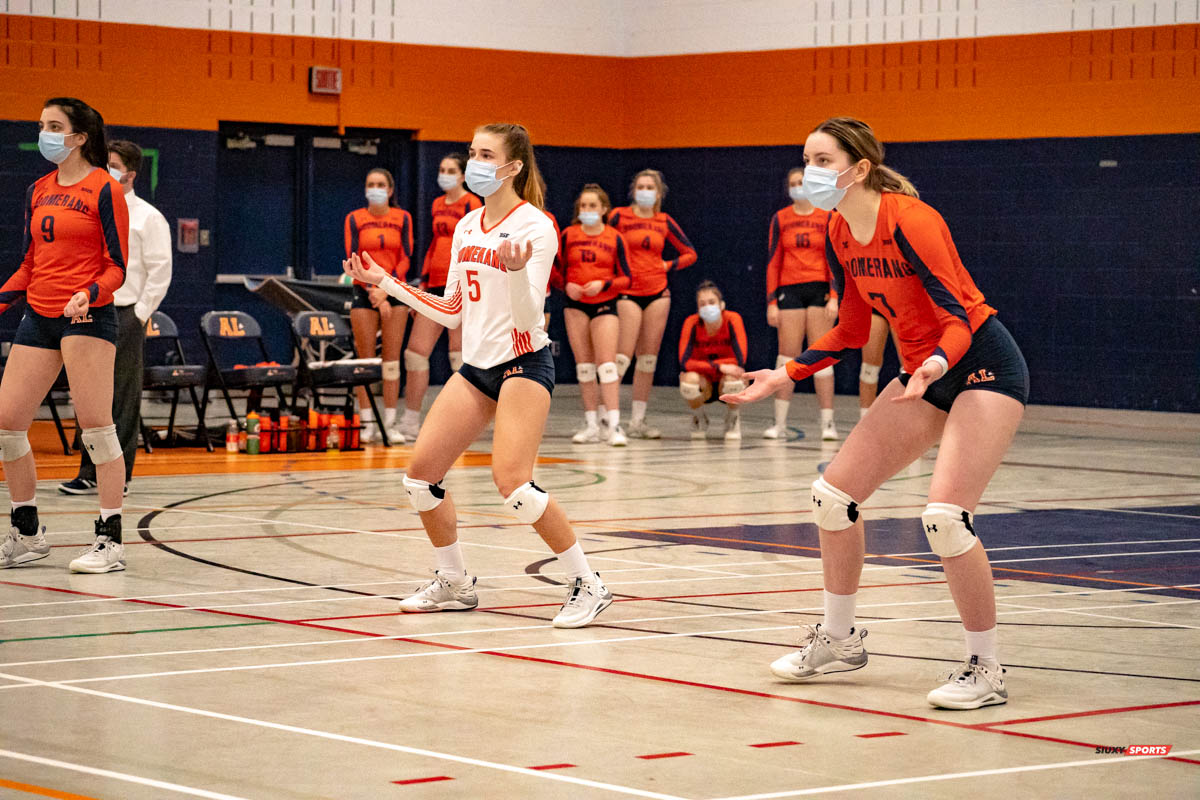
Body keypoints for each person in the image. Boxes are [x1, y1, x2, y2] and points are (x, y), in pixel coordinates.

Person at [724, 117, 1029, 710]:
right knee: (832, 497)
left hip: (979, 365)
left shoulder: (913, 220)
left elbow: (961, 316)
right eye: (805, 159)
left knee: (944, 517)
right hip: (921, 375)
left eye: (821, 160)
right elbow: (853, 329)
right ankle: (838, 641)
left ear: (858, 168)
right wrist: (787, 372)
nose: (809, 172)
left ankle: (986, 668)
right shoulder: (840, 230)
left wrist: (938, 362)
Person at [343, 122, 613, 628]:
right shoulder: (467, 227)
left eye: (485, 154)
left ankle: (588, 583)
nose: (475, 163)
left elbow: (531, 318)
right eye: (472, 153)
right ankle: (455, 582)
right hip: (476, 368)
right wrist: (387, 282)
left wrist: (514, 271)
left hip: (524, 364)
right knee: (420, 478)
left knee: (513, 484)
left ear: (513, 167)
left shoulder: (537, 226)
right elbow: (449, 311)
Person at [0, 97, 130, 573]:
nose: (45, 134)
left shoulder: (104, 188)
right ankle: (28, 533)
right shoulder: (37, 189)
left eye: (55, 126)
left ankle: (110, 539)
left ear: (79, 137)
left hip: (87, 318)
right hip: (38, 314)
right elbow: (28, 264)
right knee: (8, 422)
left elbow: (118, 266)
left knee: (95, 427)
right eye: (41, 125)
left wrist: (89, 292)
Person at [58, 139, 171, 496]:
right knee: (86, 395)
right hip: (89, 311)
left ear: (130, 175)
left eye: (111, 165)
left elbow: (160, 271)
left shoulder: (148, 217)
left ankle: (117, 474)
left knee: (121, 396)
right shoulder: (90, 209)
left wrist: (139, 314)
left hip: (124, 314)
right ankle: (88, 470)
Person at [609, 169, 697, 439]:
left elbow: (690, 253)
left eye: (650, 187)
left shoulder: (664, 220)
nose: (645, 191)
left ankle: (638, 421)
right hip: (628, 292)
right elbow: (602, 241)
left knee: (647, 360)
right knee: (621, 358)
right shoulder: (619, 216)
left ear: (658, 194)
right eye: (641, 186)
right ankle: (607, 419)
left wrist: (667, 265)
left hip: (658, 292)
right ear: (633, 191)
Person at [401, 153, 481, 440]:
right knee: (415, 354)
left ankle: (461, 425)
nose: (444, 174)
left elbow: (475, 243)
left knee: (458, 358)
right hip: (434, 284)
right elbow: (435, 243)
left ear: (462, 175)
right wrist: (422, 282)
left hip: (459, 287)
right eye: (441, 168)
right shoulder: (437, 204)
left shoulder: (472, 203)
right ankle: (410, 421)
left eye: (451, 170)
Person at [765, 167, 839, 441]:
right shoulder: (780, 218)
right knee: (787, 357)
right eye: (793, 183)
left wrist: (835, 295)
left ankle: (827, 424)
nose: (798, 187)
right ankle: (779, 423)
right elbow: (773, 261)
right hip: (789, 290)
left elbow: (835, 258)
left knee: (821, 356)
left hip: (819, 289)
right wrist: (771, 301)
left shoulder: (827, 216)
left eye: (802, 182)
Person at [344, 167, 412, 444]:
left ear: (390, 190)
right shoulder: (354, 218)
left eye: (381, 184)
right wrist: (374, 289)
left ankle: (389, 424)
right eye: (371, 184)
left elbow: (405, 257)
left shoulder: (403, 218)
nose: (376, 188)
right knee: (366, 359)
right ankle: (367, 423)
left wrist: (386, 289)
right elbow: (353, 257)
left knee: (391, 361)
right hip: (364, 291)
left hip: (394, 291)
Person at [560, 184, 632, 446]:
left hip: (605, 305)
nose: (587, 210)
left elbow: (627, 278)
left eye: (592, 206)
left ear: (603, 209)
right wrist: (565, 284)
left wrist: (604, 285)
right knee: (585, 367)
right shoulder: (568, 235)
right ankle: (591, 424)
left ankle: (613, 426)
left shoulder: (615, 237)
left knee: (607, 364)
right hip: (575, 306)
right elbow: (556, 271)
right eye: (583, 206)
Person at [679, 281, 748, 441]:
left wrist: (721, 368)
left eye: (711, 302)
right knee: (688, 381)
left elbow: (740, 359)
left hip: (727, 381)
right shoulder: (692, 323)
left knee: (734, 379)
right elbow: (684, 362)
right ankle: (699, 417)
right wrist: (719, 366)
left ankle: (733, 418)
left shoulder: (732, 319)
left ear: (721, 304)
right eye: (702, 304)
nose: (707, 307)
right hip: (705, 382)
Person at [858, 311, 900, 418]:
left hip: (903, 307)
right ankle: (865, 421)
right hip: (875, 304)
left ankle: (912, 423)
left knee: (910, 370)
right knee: (869, 369)